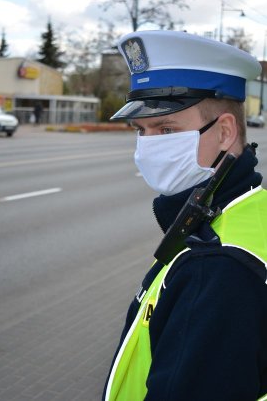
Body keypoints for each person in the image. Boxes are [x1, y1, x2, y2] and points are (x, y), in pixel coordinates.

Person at [102, 30, 267, 401]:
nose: (148, 148)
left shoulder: (214, 265)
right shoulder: (251, 210)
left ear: (225, 131)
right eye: (142, 131)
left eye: (166, 129)